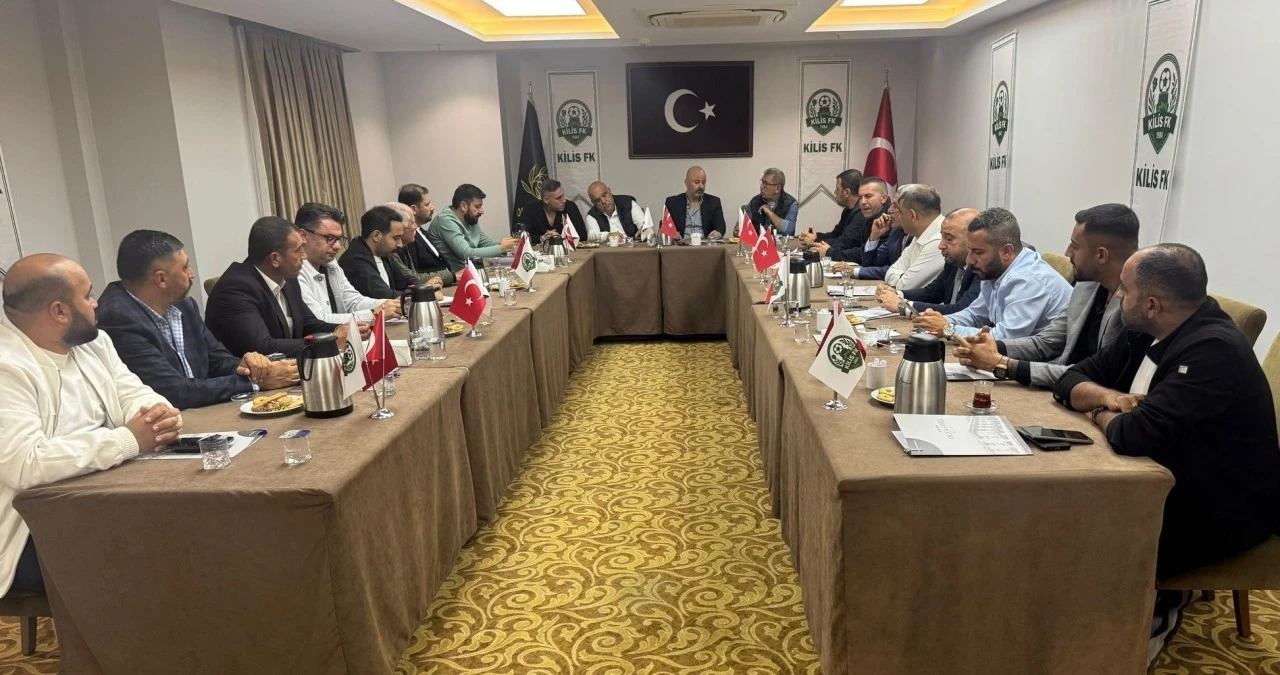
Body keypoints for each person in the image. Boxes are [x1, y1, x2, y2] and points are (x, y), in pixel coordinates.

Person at [1052, 244, 1280, 661]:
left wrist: (1097, 410)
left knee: (1081, 530)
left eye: (1125, 290)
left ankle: (1148, 622)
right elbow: (1071, 378)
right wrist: (1108, 398)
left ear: (1152, 304)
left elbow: (1134, 433)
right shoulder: (1148, 329)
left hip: (1219, 509)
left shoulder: (1214, 350)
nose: (1118, 297)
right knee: (1058, 511)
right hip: (1165, 475)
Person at [0, 254, 182, 597]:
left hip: (105, 497)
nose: (96, 303)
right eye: (88, 295)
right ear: (59, 311)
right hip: (29, 531)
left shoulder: (93, 342)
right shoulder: (7, 367)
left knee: (190, 518)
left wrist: (158, 416)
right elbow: (25, 463)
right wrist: (128, 439)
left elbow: (134, 393)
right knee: (157, 551)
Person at [97, 230, 298, 409]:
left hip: (206, 410)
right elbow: (173, 392)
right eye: (185, 268)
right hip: (171, 423)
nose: (192, 274)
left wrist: (251, 368)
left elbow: (217, 359)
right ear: (161, 279)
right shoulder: (117, 318)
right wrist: (256, 382)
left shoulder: (184, 305)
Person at [955, 203, 1138, 387]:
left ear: (1101, 256)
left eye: (1075, 246)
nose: (1067, 252)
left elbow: (1095, 375)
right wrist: (993, 347)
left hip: (1085, 390)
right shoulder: (1086, 286)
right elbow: (1047, 343)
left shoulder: (1133, 306)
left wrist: (1003, 364)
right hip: (1060, 383)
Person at [913, 207, 1071, 340]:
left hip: (1045, 362)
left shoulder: (1028, 280)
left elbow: (1006, 337)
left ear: (1006, 251)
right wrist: (936, 321)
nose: (969, 260)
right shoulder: (995, 270)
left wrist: (949, 329)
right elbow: (975, 314)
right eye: (969, 250)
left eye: (978, 252)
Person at [205, 216, 346, 357]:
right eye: (298, 250)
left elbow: (308, 323)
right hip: (252, 369)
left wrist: (343, 329)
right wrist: (330, 342)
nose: (304, 256)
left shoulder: (287, 276)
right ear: (275, 259)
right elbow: (263, 347)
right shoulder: (235, 289)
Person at [295, 202, 400, 328]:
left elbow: (353, 301)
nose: (338, 246)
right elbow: (320, 320)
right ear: (303, 236)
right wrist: (374, 313)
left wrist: (391, 304)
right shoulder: (294, 271)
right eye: (329, 238)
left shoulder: (331, 264)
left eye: (339, 239)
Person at [877, 207, 980, 316]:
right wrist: (897, 294)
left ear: (973, 241)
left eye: (949, 239)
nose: (941, 246)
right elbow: (933, 293)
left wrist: (903, 305)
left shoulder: (983, 270)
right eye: (942, 237)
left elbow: (961, 311)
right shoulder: (954, 262)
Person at [428, 184, 520, 272]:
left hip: (468, 272)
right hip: (452, 277)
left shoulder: (469, 218)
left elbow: (484, 242)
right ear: (463, 206)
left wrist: (507, 244)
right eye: (477, 206)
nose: (482, 211)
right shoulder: (445, 221)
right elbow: (467, 254)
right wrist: (502, 248)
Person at [876, 184, 946, 291]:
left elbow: (904, 286)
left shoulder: (938, 240)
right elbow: (890, 271)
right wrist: (902, 276)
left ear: (912, 215)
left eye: (899, 211)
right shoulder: (920, 233)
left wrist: (901, 277)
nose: (898, 216)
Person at [338, 205, 412, 299]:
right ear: (376, 236)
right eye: (396, 238)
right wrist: (418, 295)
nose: (400, 244)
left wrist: (422, 289)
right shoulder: (354, 260)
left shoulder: (383, 254)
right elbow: (384, 295)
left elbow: (406, 282)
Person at [799, 169, 868, 259]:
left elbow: (845, 242)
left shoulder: (860, 214)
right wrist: (815, 236)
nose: (835, 192)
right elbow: (834, 235)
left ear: (847, 192)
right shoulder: (847, 210)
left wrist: (814, 241)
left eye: (837, 189)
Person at [396, 185, 456, 286]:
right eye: (427, 204)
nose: (433, 207)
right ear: (413, 209)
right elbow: (415, 275)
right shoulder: (407, 239)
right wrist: (452, 277)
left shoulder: (422, 232)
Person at [831, 177, 896, 269]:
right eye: (860, 198)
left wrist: (830, 252)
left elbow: (861, 254)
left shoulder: (889, 221)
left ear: (884, 198)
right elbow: (851, 242)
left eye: (868, 196)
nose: (863, 202)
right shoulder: (868, 218)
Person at [385, 202, 450, 290]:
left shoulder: (405, 246)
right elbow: (413, 280)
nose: (415, 227)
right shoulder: (389, 252)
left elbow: (414, 278)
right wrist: (449, 276)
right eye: (412, 223)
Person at [663, 166, 726, 240]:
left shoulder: (714, 202)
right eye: (696, 182)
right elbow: (665, 227)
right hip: (681, 244)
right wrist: (672, 234)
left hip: (705, 244)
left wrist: (718, 233)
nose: (701, 186)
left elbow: (721, 226)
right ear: (686, 183)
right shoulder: (672, 203)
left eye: (703, 182)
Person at [518, 179, 588, 243]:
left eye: (563, 195)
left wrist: (561, 238)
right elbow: (521, 236)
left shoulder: (570, 207)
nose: (564, 200)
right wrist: (542, 238)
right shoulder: (531, 209)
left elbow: (583, 236)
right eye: (559, 198)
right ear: (546, 200)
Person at [746, 168, 799, 236]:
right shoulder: (754, 202)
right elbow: (746, 229)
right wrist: (739, 229)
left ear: (778, 188)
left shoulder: (791, 204)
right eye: (762, 182)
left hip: (781, 243)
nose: (761, 186)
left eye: (766, 184)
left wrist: (770, 213)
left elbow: (788, 230)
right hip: (758, 242)